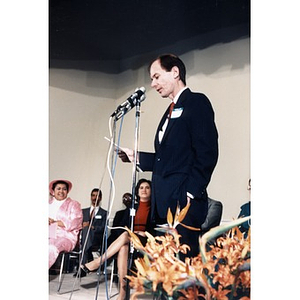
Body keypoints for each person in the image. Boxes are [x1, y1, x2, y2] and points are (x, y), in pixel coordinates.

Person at [118, 54, 219, 258]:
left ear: (175, 72)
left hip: (184, 205)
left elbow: (207, 152)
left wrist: (189, 194)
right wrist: (137, 157)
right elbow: (169, 158)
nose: (153, 84)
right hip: (164, 203)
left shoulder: (196, 102)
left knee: (184, 272)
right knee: (166, 272)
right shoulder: (169, 111)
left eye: (156, 77)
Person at [78, 179, 153, 300]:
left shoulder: (155, 208)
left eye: (147, 187)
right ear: (137, 191)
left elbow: (158, 228)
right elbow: (121, 226)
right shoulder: (131, 208)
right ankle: (123, 293)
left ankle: (98, 262)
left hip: (147, 240)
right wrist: (131, 233)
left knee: (124, 236)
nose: (144, 190)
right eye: (141, 188)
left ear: (151, 190)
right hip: (130, 239)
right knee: (123, 246)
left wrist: (145, 233)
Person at [49, 179, 83, 269]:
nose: (61, 191)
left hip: (65, 236)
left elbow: (76, 222)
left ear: (67, 191)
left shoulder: (74, 204)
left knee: (51, 247)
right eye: (58, 188)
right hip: (48, 233)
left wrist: (56, 222)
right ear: (53, 191)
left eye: (64, 189)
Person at [77, 188, 107, 274]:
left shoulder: (104, 213)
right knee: (85, 229)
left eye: (97, 196)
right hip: (83, 237)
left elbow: (103, 228)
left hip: (96, 238)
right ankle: (86, 260)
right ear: (90, 197)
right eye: (93, 195)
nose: (94, 198)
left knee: (87, 229)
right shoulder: (83, 211)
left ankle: (82, 266)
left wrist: (92, 227)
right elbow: (77, 225)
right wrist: (82, 226)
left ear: (100, 198)